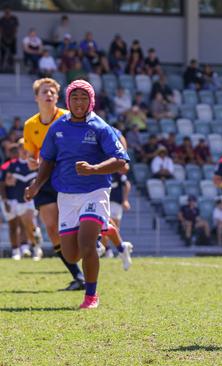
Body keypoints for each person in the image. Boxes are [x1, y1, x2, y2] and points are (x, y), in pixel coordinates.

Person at [25, 79, 130, 309]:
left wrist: (94, 169)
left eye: (84, 97)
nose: (79, 102)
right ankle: (104, 231)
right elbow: (48, 160)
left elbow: (121, 161)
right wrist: (36, 185)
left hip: (95, 191)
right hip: (67, 195)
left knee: (86, 243)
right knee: (71, 255)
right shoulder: (58, 127)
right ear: (68, 101)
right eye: (75, 97)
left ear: (91, 100)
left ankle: (91, 296)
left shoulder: (101, 127)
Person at [23, 78, 86, 290]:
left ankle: (97, 245)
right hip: (43, 179)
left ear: (58, 97)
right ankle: (78, 277)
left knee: (74, 223)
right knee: (51, 227)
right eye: (44, 91)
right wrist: (32, 161)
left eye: (52, 92)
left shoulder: (67, 118)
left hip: (67, 176)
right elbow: (31, 156)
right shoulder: (30, 125)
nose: (48, 94)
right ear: (36, 97)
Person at [1, 141, 40, 260]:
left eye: (26, 148)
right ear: (17, 149)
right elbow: (2, 183)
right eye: (21, 147)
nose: (23, 150)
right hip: (12, 199)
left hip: (28, 200)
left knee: (26, 223)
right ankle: (16, 250)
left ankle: (29, 247)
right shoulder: (9, 165)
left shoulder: (35, 165)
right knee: (13, 226)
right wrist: (5, 199)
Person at [0, 6, 19, 72]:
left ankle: (11, 68)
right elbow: (1, 30)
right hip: (4, 39)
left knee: (12, 54)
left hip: (12, 39)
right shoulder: (2, 19)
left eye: (8, 12)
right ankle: (2, 67)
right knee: (3, 53)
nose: (7, 13)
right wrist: (4, 38)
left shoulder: (14, 19)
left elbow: (15, 29)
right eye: (6, 12)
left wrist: (12, 38)